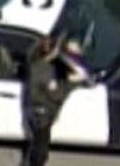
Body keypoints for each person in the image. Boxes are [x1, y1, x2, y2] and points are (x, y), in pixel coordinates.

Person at [22, 37, 90, 166]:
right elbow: (57, 94)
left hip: (38, 112)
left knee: (37, 146)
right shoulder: (44, 71)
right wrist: (72, 83)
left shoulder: (36, 62)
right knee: (40, 153)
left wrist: (73, 53)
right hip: (41, 114)